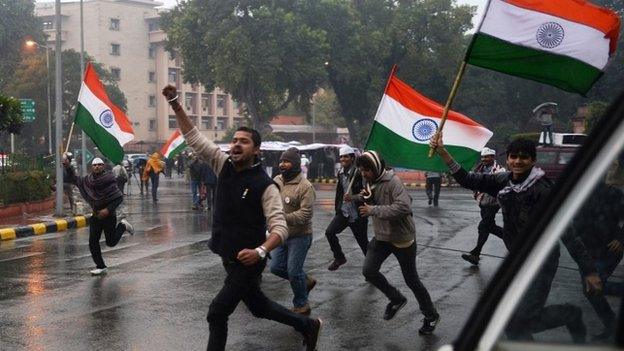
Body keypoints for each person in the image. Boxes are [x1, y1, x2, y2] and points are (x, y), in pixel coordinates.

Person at [162, 85, 322, 351]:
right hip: (227, 256)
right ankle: (308, 325)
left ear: (256, 150)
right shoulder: (221, 164)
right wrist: (176, 103)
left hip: (249, 262)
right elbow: (192, 136)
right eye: (234, 140)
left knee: (217, 312)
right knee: (258, 307)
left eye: (244, 141)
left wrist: (260, 251)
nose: (236, 144)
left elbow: (280, 229)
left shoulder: (265, 185)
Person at [430, 134, 601, 343]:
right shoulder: (503, 181)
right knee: (511, 320)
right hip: (517, 258)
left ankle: (570, 314)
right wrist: (443, 152)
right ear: (508, 159)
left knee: (518, 321)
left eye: (524, 157)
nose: (518, 161)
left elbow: (568, 233)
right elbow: (468, 179)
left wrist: (589, 270)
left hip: (542, 260)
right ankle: (558, 322)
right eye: (513, 157)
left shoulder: (543, 190)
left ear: (533, 160)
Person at [354, 151, 440, 334]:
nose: (363, 174)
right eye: (361, 170)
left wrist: (373, 209)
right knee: (368, 271)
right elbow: (368, 198)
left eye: (366, 170)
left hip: (402, 238)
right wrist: (360, 198)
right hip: (382, 236)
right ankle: (396, 299)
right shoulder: (370, 182)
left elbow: (403, 207)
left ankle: (431, 316)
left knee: (412, 280)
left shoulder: (394, 181)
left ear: (375, 167)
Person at [569, 179, 624, 340]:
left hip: (608, 250)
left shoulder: (613, 194)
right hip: (585, 251)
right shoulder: (576, 193)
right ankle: (612, 326)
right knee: (591, 292)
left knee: (593, 287)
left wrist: (621, 239)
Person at [64, 157, 134, 275]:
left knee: (110, 242)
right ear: (92, 167)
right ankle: (101, 266)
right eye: (95, 165)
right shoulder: (88, 180)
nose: (97, 167)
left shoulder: (109, 179)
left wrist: (108, 210)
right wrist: (68, 166)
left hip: (109, 216)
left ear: (103, 166)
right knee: (93, 242)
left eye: (99, 165)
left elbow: (118, 197)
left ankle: (122, 226)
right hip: (96, 216)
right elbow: (74, 179)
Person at [270, 147, 317, 315]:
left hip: (300, 236)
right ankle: (305, 281)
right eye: (281, 161)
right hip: (281, 234)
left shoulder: (305, 186)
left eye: (287, 161)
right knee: (275, 267)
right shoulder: (277, 180)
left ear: (296, 164)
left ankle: (302, 304)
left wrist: (282, 217)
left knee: (293, 270)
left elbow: (305, 214)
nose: (282, 164)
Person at [324, 146, 369, 271]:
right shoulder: (340, 173)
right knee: (329, 233)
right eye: (341, 157)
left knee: (364, 244)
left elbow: (367, 194)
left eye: (346, 156)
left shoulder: (360, 173)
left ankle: (372, 269)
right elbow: (340, 192)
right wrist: (338, 208)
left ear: (352, 158)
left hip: (357, 215)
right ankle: (339, 257)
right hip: (343, 213)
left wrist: (353, 197)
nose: (343, 159)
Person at [461, 147, 506, 265]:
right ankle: (513, 239)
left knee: (483, 226)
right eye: (482, 157)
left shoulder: (499, 170)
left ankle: (476, 253)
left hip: (493, 203)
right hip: (482, 202)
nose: (484, 159)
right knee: (489, 226)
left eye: (486, 157)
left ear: (493, 157)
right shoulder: (479, 169)